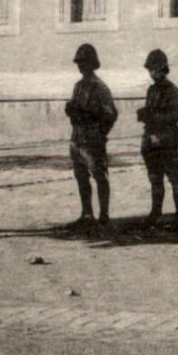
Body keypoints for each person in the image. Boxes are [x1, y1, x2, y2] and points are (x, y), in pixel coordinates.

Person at [64, 43, 118, 230]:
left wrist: (100, 132)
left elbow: (111, 114)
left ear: (92, 64)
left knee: (100, 177)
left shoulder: (100, 88)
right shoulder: (78, 86)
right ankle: (87, 214)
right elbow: (74, 111)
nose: (80, 66)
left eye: (84, 62)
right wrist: (71, 111)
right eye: (79, 62)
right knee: (81, 177)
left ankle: (104, 216)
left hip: (92, 138)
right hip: (77, 138)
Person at [137, 49, 178, 233]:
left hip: (167, 140)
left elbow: (176, 114)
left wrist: (154, 116)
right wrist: (145, 115)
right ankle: (155, 212)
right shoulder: (151, 90)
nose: (152, 73)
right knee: (155, 179)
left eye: (156, 69)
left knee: (174, 178)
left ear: (164, 69)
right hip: (151, 140)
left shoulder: (172, 90)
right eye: (150, 69)